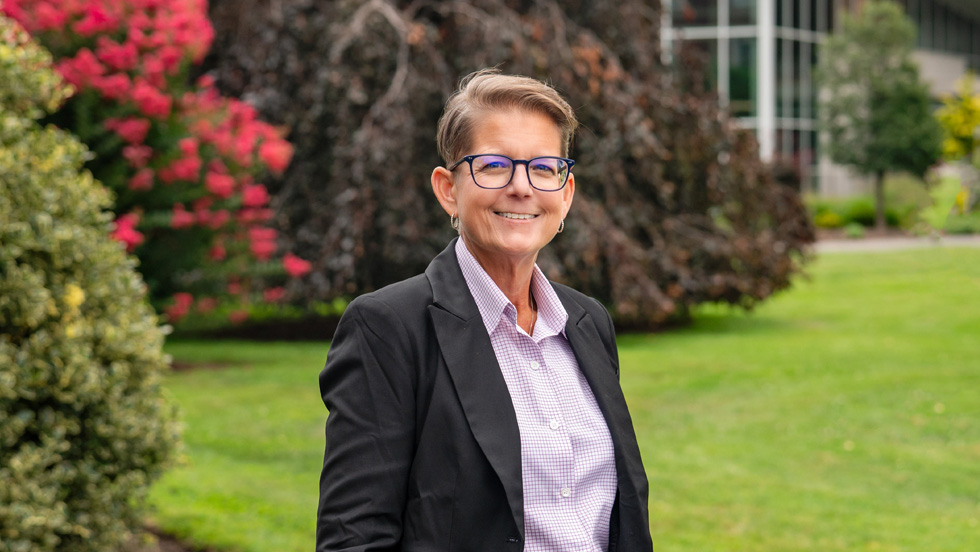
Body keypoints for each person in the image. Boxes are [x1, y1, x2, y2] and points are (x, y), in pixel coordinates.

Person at [316, 69, 652, 552]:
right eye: (494, 165)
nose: (521, 187)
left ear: (566, 192)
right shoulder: (388, 327)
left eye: (542, 168)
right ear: (448, 189)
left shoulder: (586, 321)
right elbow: (355, 538)